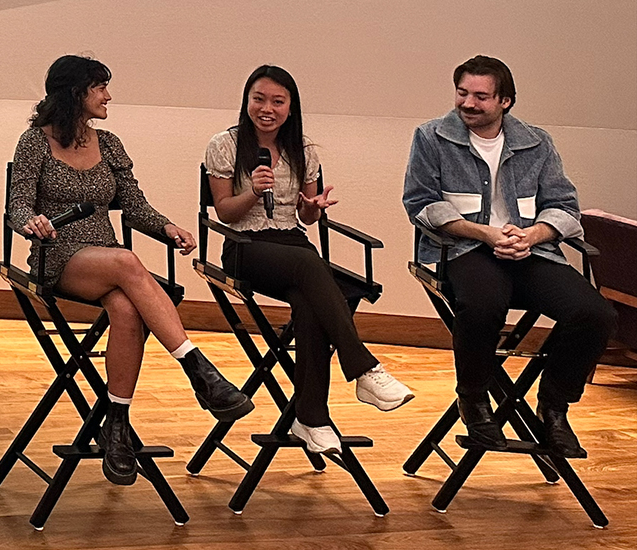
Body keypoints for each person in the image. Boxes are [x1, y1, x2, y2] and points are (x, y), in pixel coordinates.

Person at [6, 55, 251, 485]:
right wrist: (32, 221)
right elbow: (18, 206)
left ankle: (115, 424)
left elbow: (134, 207)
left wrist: (167, 226)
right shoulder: (34, 143)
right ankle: (198, 369)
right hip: (58, 256)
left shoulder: (111, 143)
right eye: (100, 87)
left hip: (110, 261)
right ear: (74, 92)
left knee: (126, 309)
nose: (108, 96)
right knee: (126, 262)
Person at [402, 55, 614, 458]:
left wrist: (533, 235)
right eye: (462, 93)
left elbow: (565, 207)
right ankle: (475, 402)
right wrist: (485, 233)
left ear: (506, 101)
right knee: (483, 304)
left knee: (596, 315)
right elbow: (420, 203)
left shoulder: (536, 141)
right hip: (466, 248)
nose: (468, 103)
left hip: (531, 250)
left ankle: (554, 408)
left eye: (481, 96)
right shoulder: (431, 137)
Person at [203, 65, 415, 455]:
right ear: (247, 101)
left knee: (311, 302)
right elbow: (224, 212)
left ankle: (311, 419)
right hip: (244, 245)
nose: (267, 108)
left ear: (290, 107)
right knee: (313, 269)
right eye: (259, 99)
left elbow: (306, 218)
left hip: (292, 244)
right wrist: (252, 191)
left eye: (277, 101)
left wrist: (314, 207)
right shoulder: (225, 145)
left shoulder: (305, 149)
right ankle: (365, 369)